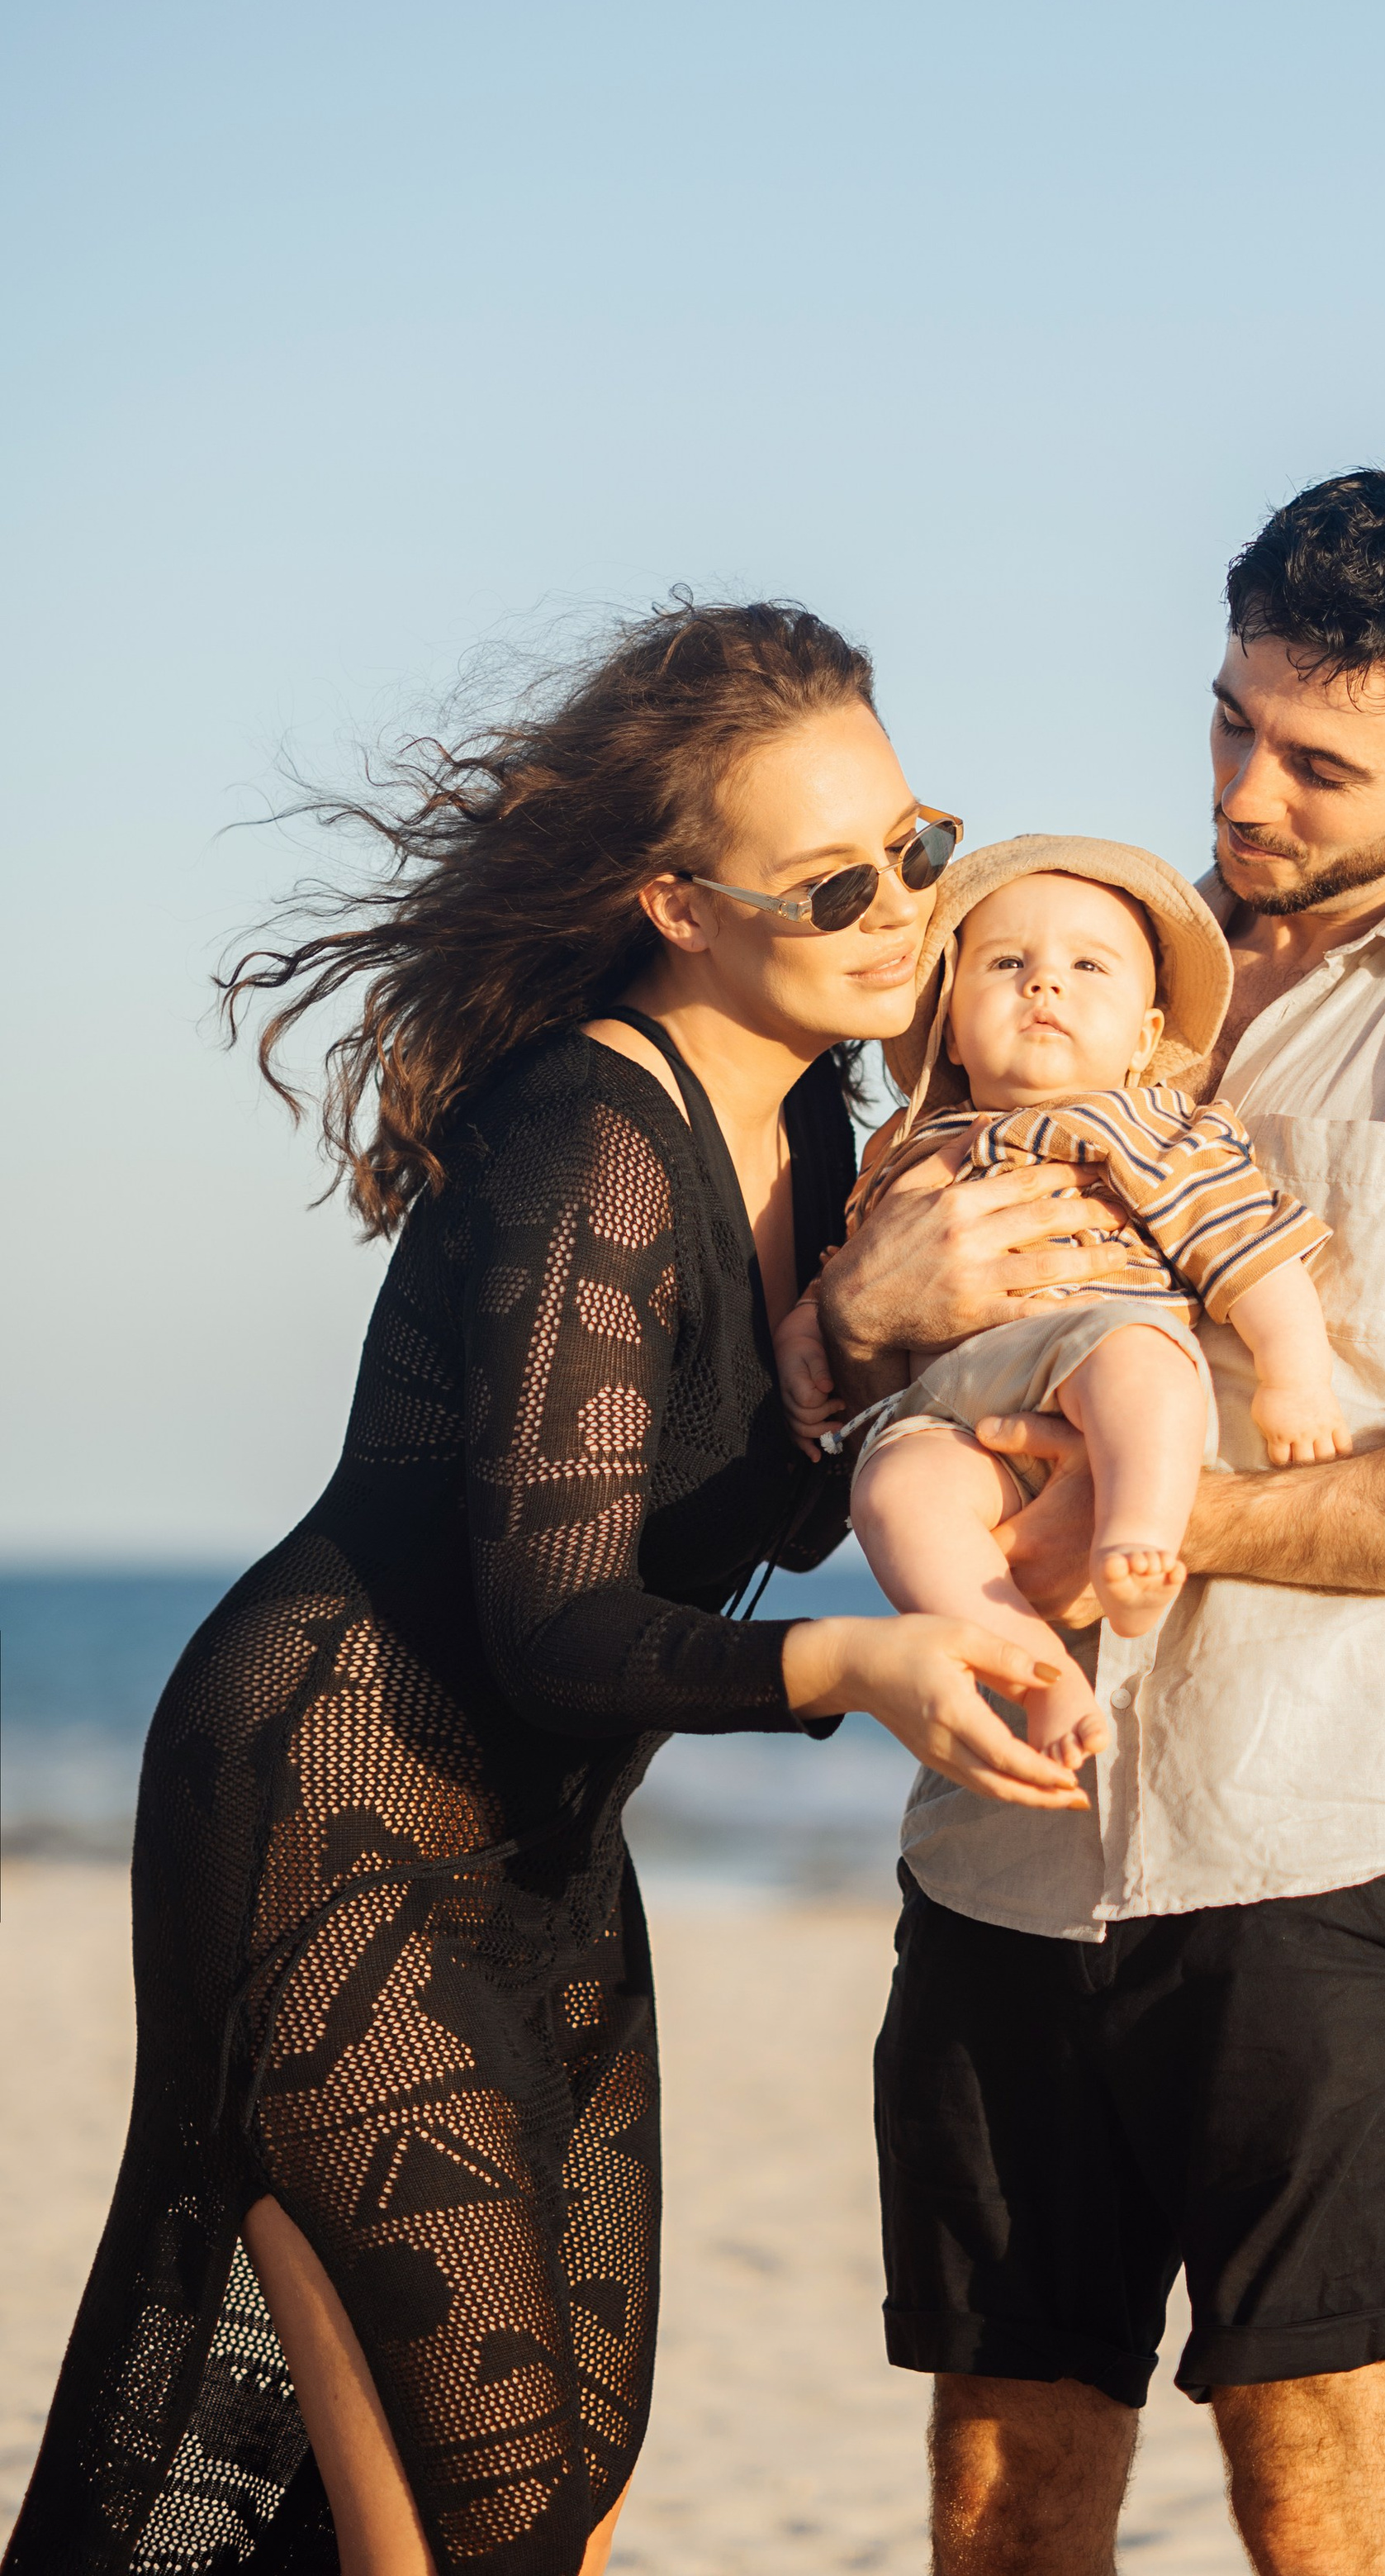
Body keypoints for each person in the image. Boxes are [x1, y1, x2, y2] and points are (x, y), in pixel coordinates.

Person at [2, 601, 1091, 2576]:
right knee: (477, 2504)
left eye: (917, 843)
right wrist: (864, 1659)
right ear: (679, 902)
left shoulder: (817, 1120)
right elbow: (562, 1616)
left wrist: (847, 1344)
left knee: (558, 2471)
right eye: (833, 878)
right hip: (325, 1799)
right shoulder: (591, 1132)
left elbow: (711, 1523)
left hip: (533, 1834)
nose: (899, 905)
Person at [818, 466, 1385, 2576]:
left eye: (1320, 758)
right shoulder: (1067, 972)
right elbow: (850, 1395)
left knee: (1325, 2508)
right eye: (1229, 718)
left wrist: (1157, 1516)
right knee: (997, 2503)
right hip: (999, 1863)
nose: (1248, 787)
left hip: (1319, 1865)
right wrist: (868, 1327)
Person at [777, 842, 1344, 1764]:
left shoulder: (1142, 1123)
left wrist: (1294, 1371)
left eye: (1087, 966)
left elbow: (1242, 1239)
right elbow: (849, 1265)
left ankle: (1136, 1535)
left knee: (1144, 1358)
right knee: (892, 1489)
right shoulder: (903, 1148)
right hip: (950, 1405)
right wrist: (811, 1328)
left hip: (1088, 1339)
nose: (1045, 985)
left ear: (1143, 1035)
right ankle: (1041, 1676)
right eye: (1006, 964)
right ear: (952, 1032)